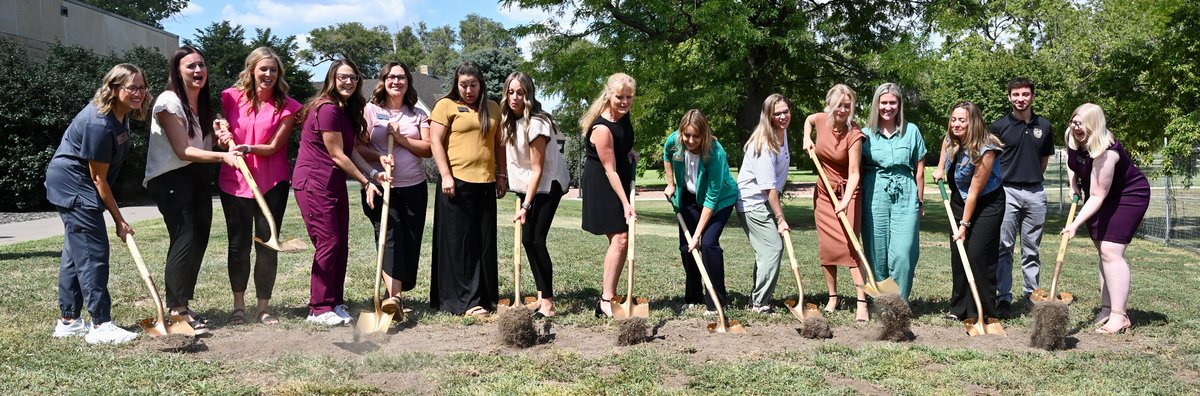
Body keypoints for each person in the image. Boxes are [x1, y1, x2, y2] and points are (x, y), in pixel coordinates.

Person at [45, 64, 150, 344]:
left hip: (76, 183)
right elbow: (98, 179)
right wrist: (119, 220)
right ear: (114, 89)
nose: (138, 93)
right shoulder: (99, 123)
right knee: (93, 251)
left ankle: (69, 321)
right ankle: (101, 324)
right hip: (74, 185)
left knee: (76, 251)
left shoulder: (120, 115)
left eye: (142, 87)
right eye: (132, 87)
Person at [144, 46, 245, 335]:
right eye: (191, 66)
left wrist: (220, 134)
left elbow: (202, 148)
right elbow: (183, 150)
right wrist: (223, 157)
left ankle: (183, 304)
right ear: (177, 71)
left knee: (199, 238)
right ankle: (176, 311)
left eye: (201, 65)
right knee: (185, 236)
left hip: (195, 176)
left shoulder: (199, 104)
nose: (198, 71)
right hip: (170, 177)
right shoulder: (168, 101)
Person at [293, 59, 385, 326]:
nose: (348, 82)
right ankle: (318, 308)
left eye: (353, 78)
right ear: (331, 78)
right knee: (328, 242)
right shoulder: (327, 109)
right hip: (314, 182)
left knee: (340, 243)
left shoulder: (343, 111)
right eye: (343, 77)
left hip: (333, 183)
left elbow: (351, 150)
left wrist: (372, 173)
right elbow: (337, 154)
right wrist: (365, 183)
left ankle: (334, 301)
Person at [216, 47, 302, 326]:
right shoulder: (230, 97)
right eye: (263, 69)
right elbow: (220, 131)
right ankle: (238, 306)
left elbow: (275, 146)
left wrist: (248, 147)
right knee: (238, 245)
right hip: (235, 181)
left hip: (271, 183)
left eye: (273, 70)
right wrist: (222, 137)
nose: (268, 74)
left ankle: (263, 307)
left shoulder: (288, 106)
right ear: (251, 70)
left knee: (267, 244)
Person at [1061, 103, 1149, 334]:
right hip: (1097, 193)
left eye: (1081, 123)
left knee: (1111, 251)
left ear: (1095, 125)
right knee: (1103, 251)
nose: (1075, 126)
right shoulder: (1072, 134)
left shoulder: (1106, 152)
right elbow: (1073, 161)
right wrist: (1073, 184)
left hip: (1126, 196)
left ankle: (1120, 316)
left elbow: (1099, 195)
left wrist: (1074, 225)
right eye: (1074, 121)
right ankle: (1108, 308)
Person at [428, 61, 505, 317]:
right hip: (456, 184)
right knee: (459, 245)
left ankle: (485, 296)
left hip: (485, 183)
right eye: (463, 85)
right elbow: (435, 142)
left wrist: (501, 175)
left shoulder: (492, 108)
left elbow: (499, 144)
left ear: (480, 84)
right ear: (456, 84)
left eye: (473, 84)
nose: (468, 90)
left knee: (483, 243)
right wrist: (446, 176)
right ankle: (464, 302)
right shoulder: (445, 106)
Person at [357, 61, 431, 313]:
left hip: (414, 187)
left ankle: (398, 291)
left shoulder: (418, 114)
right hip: (381, 185)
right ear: (383, 81)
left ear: (408, 82)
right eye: (390, 77)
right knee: (388, 238)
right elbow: (357, 148)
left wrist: (400, 139)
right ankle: (394, 298)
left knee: (409, 240)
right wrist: (373, 168)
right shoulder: (370, 111)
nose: (396, 81)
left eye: (401, 77)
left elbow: (428, 149)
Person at [502, 71, 569, 318]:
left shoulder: (538, 124)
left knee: (537, 240)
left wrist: (526, 206)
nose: (515, 97)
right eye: (511, 92)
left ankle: (548, 303)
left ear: (528, 94)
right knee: (527, 241)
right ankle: (542, 293)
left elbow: (539, 169)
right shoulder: (509, 121)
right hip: (527, 188)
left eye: (520, 92)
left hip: (546, 186)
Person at [801, 84, 869, 322]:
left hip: (847, 192)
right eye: (838, 104)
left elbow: (854, 174)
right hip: (824, 194)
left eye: (847, 106)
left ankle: (862, 301)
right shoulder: (820, 119)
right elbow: (809, 120)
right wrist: (806, 137)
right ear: (830, 104)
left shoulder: (854, 134)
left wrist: (845, 200)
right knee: (827, 247)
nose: (842, 110)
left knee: (852, 247)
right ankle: (833, 297)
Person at [990, 77, 1055, 318]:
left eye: (1025, 94)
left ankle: (1031, 293)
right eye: (1016, 94)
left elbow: (1044, 160)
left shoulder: (1044, 126)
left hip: (1036, 193)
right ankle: (1003, 297)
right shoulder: (999, 127)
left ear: (1032, 96)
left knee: (1031, 248)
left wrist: (1032, 179)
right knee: (1003, 246)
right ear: (1009, 97)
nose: (1021, 99)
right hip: (1007, 192)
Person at [664, 110, 739, 314]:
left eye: (695, 136)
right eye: (686, 135)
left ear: (704, 134)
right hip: (689, 197)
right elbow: (666, 156)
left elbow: (712, 198)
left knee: (707, 244)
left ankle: (717, 300)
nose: (690, 140)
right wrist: (670, 184)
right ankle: (693, 296)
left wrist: (697, 234)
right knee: (686, 248)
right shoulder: (674, 141)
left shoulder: (715, 153)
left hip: (720, 200)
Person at [937, 101, 1005, 323]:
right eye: (954, 119)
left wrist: (964, 226)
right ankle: (959, 309)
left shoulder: (986, 149)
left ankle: (983, 311)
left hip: (987, 204)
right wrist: (939, 169)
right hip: (959, 201)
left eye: (962, 120)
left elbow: (975, 193)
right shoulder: (951, 138)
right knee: (959, 255)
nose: (956, 124)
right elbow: (945, 146)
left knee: (977, 255)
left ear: (973, 122)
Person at [860, 83, 927, 300]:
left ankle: (899, 302)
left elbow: (920, 170)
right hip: (875, 191)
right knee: (876, 250)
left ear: (899, 105)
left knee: (904, 251)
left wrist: (920, 200)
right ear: (876, 104)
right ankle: (882, 301)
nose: (888, 107)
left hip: (906, 193)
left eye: (892, 102)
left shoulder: (912, 130)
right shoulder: (865, 134)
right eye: (884, 102)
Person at [580, 72, 637, 318]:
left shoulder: (623, 116)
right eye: (619, 97)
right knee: (621, 239)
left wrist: (630, 150)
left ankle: (609, 294)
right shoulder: (601, 128)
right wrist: (626, 203)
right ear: (609, 95)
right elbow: (609, 169)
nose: (624, 102)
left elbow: (622, 139)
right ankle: (605, 300)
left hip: (618, 178)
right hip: (603, 184)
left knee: (621, 240)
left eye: (629, 97)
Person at [737, 94, 792, 314]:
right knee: (773, 248)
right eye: (777, 113)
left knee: (766, 250)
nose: (782, 116)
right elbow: (768, 188)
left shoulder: (782, 134)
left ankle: (757, 297)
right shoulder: (763, 145)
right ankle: (759, 302)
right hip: (752, 203)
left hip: (764, 201)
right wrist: (780, 219)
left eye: (785, 111)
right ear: (767, 116)